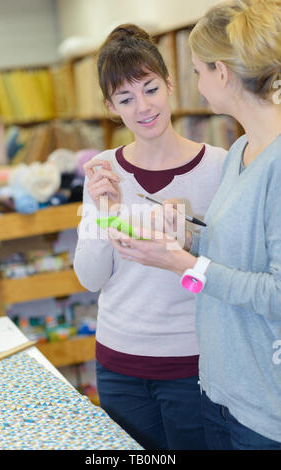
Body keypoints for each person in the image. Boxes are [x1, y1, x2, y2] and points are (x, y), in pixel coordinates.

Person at [109, 1, 281, 451]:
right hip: (220, 390)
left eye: (198, 72)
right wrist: (189, 236)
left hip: (265, 406)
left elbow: (278, 296)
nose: (197, 86)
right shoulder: (243, 147)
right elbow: (238, 249)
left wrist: (183, 264)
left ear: (221, 72)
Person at [74, 23, 227, 450]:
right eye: (126, 98)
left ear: (170, 84)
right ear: (111, 107)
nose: (143, 106)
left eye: (150, 88)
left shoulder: (219, 166)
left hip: (195, 364)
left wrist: (187, 243)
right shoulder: (103, 170)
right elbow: (90, 278)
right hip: (118, 364)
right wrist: (105, 214)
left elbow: (229, 268)